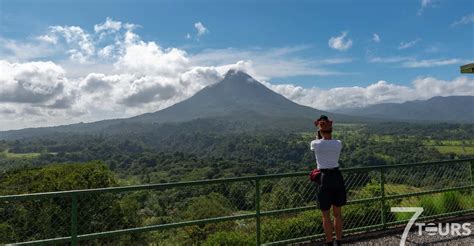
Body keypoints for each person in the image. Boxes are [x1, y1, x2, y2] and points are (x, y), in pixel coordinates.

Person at [310, 115, 347, 246]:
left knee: (325, 215)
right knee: (337, 214)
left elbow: (317, 142)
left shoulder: (315, 144)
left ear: (320, 128)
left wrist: (319, 131)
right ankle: (339, 241)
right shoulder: (338, 143)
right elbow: (327, 140)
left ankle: (329, 242)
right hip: (337, 176)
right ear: (331, 128)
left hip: (324, 178)